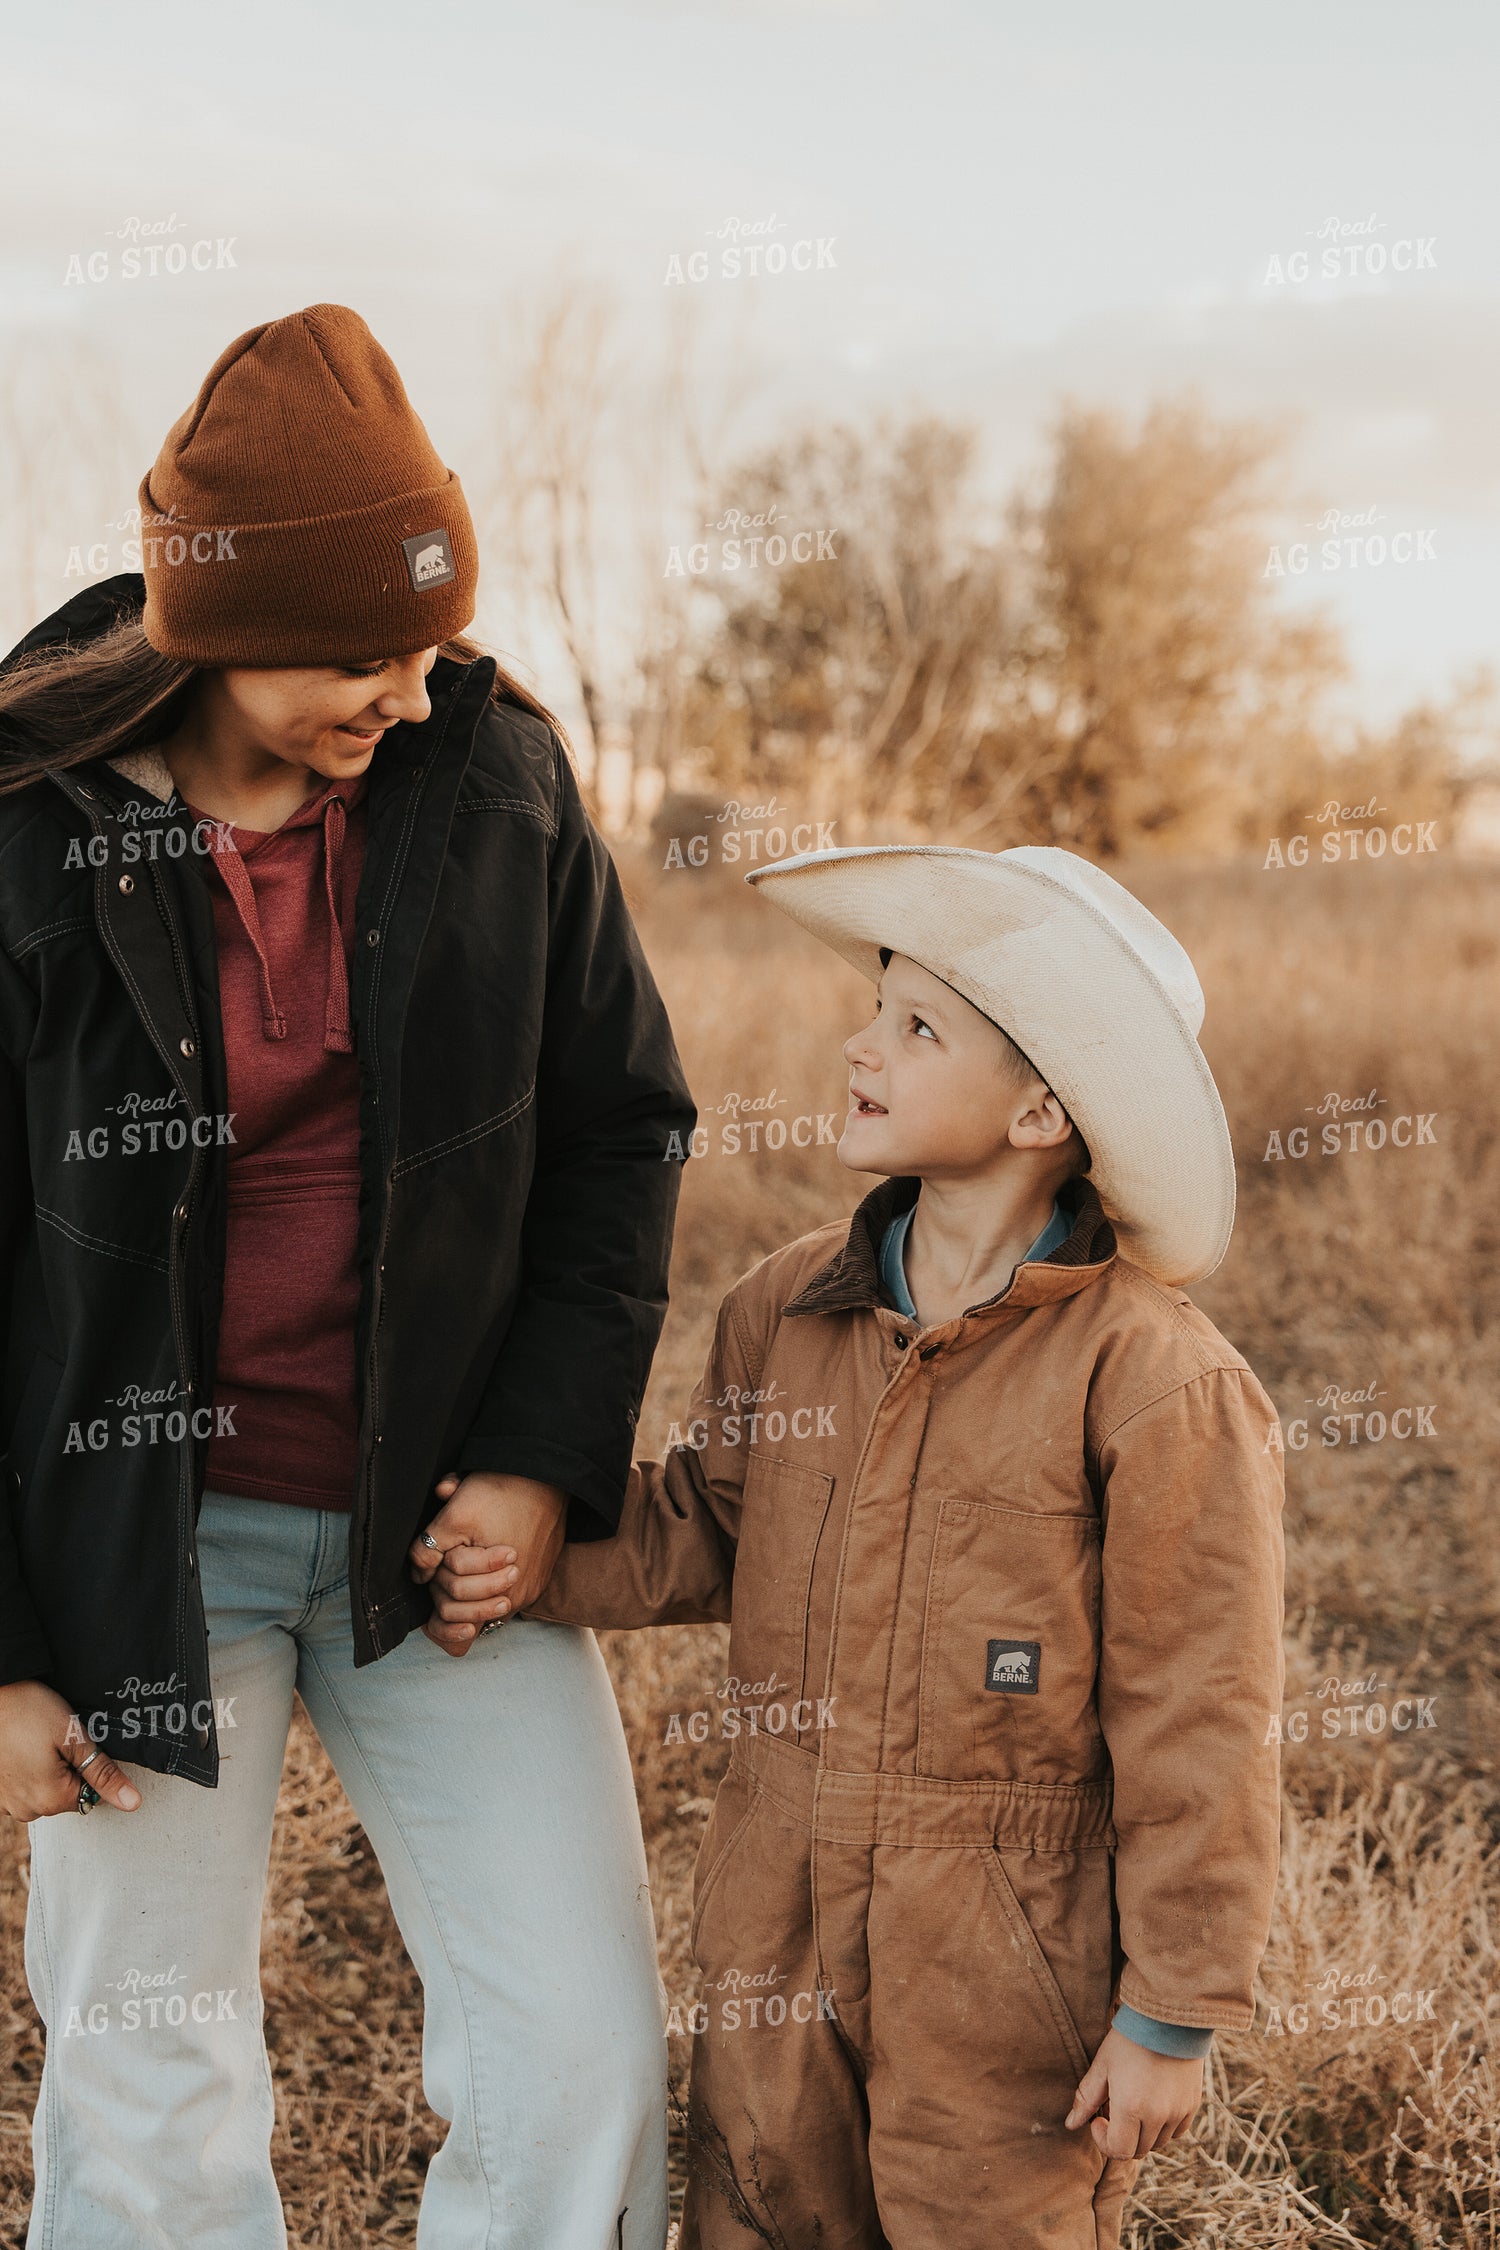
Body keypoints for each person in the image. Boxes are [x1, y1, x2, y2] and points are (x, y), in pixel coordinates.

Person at [0, 302, 695, 2249]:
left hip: (432, 1538)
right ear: (204, 627)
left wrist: (542, 1463)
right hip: (137, 1542)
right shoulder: (24, 829)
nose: (400, 687)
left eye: (422, 640)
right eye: (345, 654)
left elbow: (620, 1134)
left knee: (582, 2046)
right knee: (152, 2064)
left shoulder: (502, 794)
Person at [466, 842, 1287, 2249]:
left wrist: (1173, 2009)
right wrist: (526, 1558)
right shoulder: (789, 1306)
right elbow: (703, 1527)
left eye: (920, 1027)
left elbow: (1200, 1718)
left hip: (1003, 1962)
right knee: (761, 2215)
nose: (864, 1044)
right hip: (773, 1913)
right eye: (878, 1006)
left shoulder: (1155, 1384)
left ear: (1042, 1106)